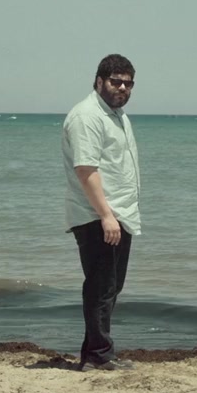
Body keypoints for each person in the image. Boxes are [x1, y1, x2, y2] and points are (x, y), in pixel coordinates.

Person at [61, 54, 142, 371]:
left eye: (128, 83)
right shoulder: (87, 116)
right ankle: (97, 356)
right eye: (115, 81)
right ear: (98, 81)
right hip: (98, 216)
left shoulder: (116, 115)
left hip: (117, 214)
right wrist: (106, 216)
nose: (122, 88)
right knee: (101, 287)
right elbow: (86, 169)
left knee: (110, 286)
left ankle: (96, 352)